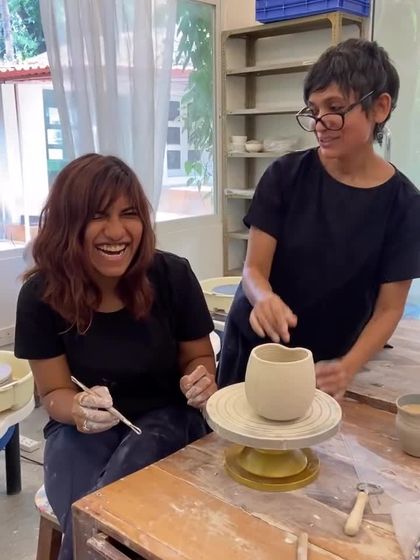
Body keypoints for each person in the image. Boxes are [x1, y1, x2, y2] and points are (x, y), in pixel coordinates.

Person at [14, 153, 217, 560]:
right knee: (84, 496)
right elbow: (53, 393)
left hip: (168, 418)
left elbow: (199, 357)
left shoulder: (172, 276)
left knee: (114, 504)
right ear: (68, 223)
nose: (116, 231)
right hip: (78, 428)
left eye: (129, 214)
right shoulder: (40, 296)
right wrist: (78, 408)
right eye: (97, 216)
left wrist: (200, 378)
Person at [218, 38, 420, 400]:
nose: (320, 123)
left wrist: (348, 366)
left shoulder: (404, 205)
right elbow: (254, 270)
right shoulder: (285, 176)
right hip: (256, 348)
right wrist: (264, 298)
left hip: (324, 362)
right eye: (313, 110)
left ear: (380, 107)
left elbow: (389, 309)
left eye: (335, 108)